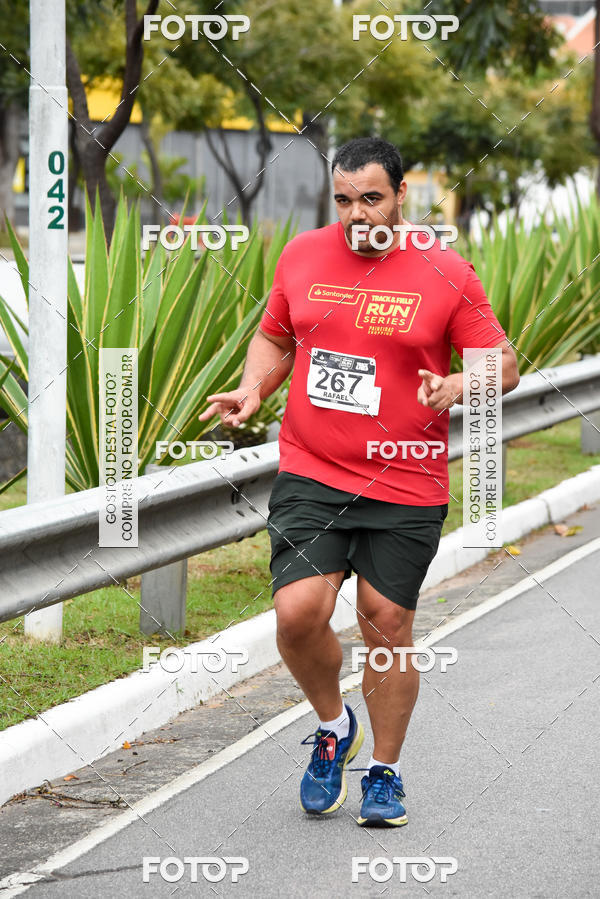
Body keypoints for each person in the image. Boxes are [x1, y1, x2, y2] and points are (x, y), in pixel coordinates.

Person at [199, 137, 519, 827]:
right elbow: (276, 335)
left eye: (371, 198)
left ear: (402, 195)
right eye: (344, 199)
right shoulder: (303, 255)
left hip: (405, 477)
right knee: (296, 615)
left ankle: (384, 771)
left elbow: (504, 364)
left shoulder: (445, 269)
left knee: (386, 622)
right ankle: (333, 725)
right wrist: (254, 388)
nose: (357, 214)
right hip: (314, 470)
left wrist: (459, 383)